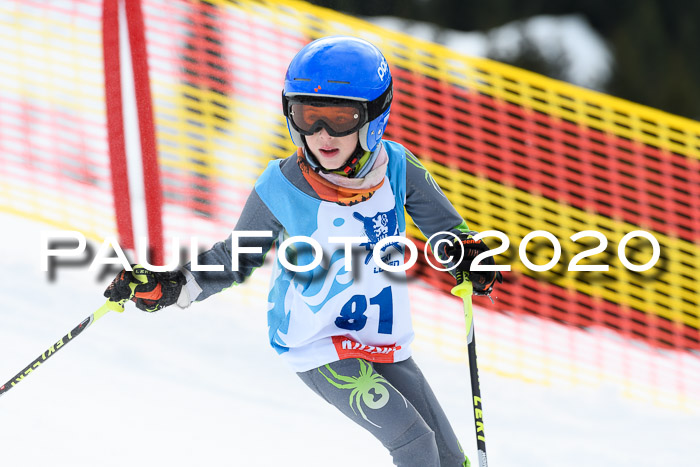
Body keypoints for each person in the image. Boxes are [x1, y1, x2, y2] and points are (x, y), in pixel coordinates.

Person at [104, 36, 500, 467]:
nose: (322, 135)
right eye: (307, 116)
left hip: (381, 337)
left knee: (448, 457)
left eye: (339, 119)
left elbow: (449, 231)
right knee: (414, 443)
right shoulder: (281, 185)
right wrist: (173, 285)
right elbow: (234, 257)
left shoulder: (399, 168)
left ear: (373, 117)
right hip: (317, 341)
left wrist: (467, 256)